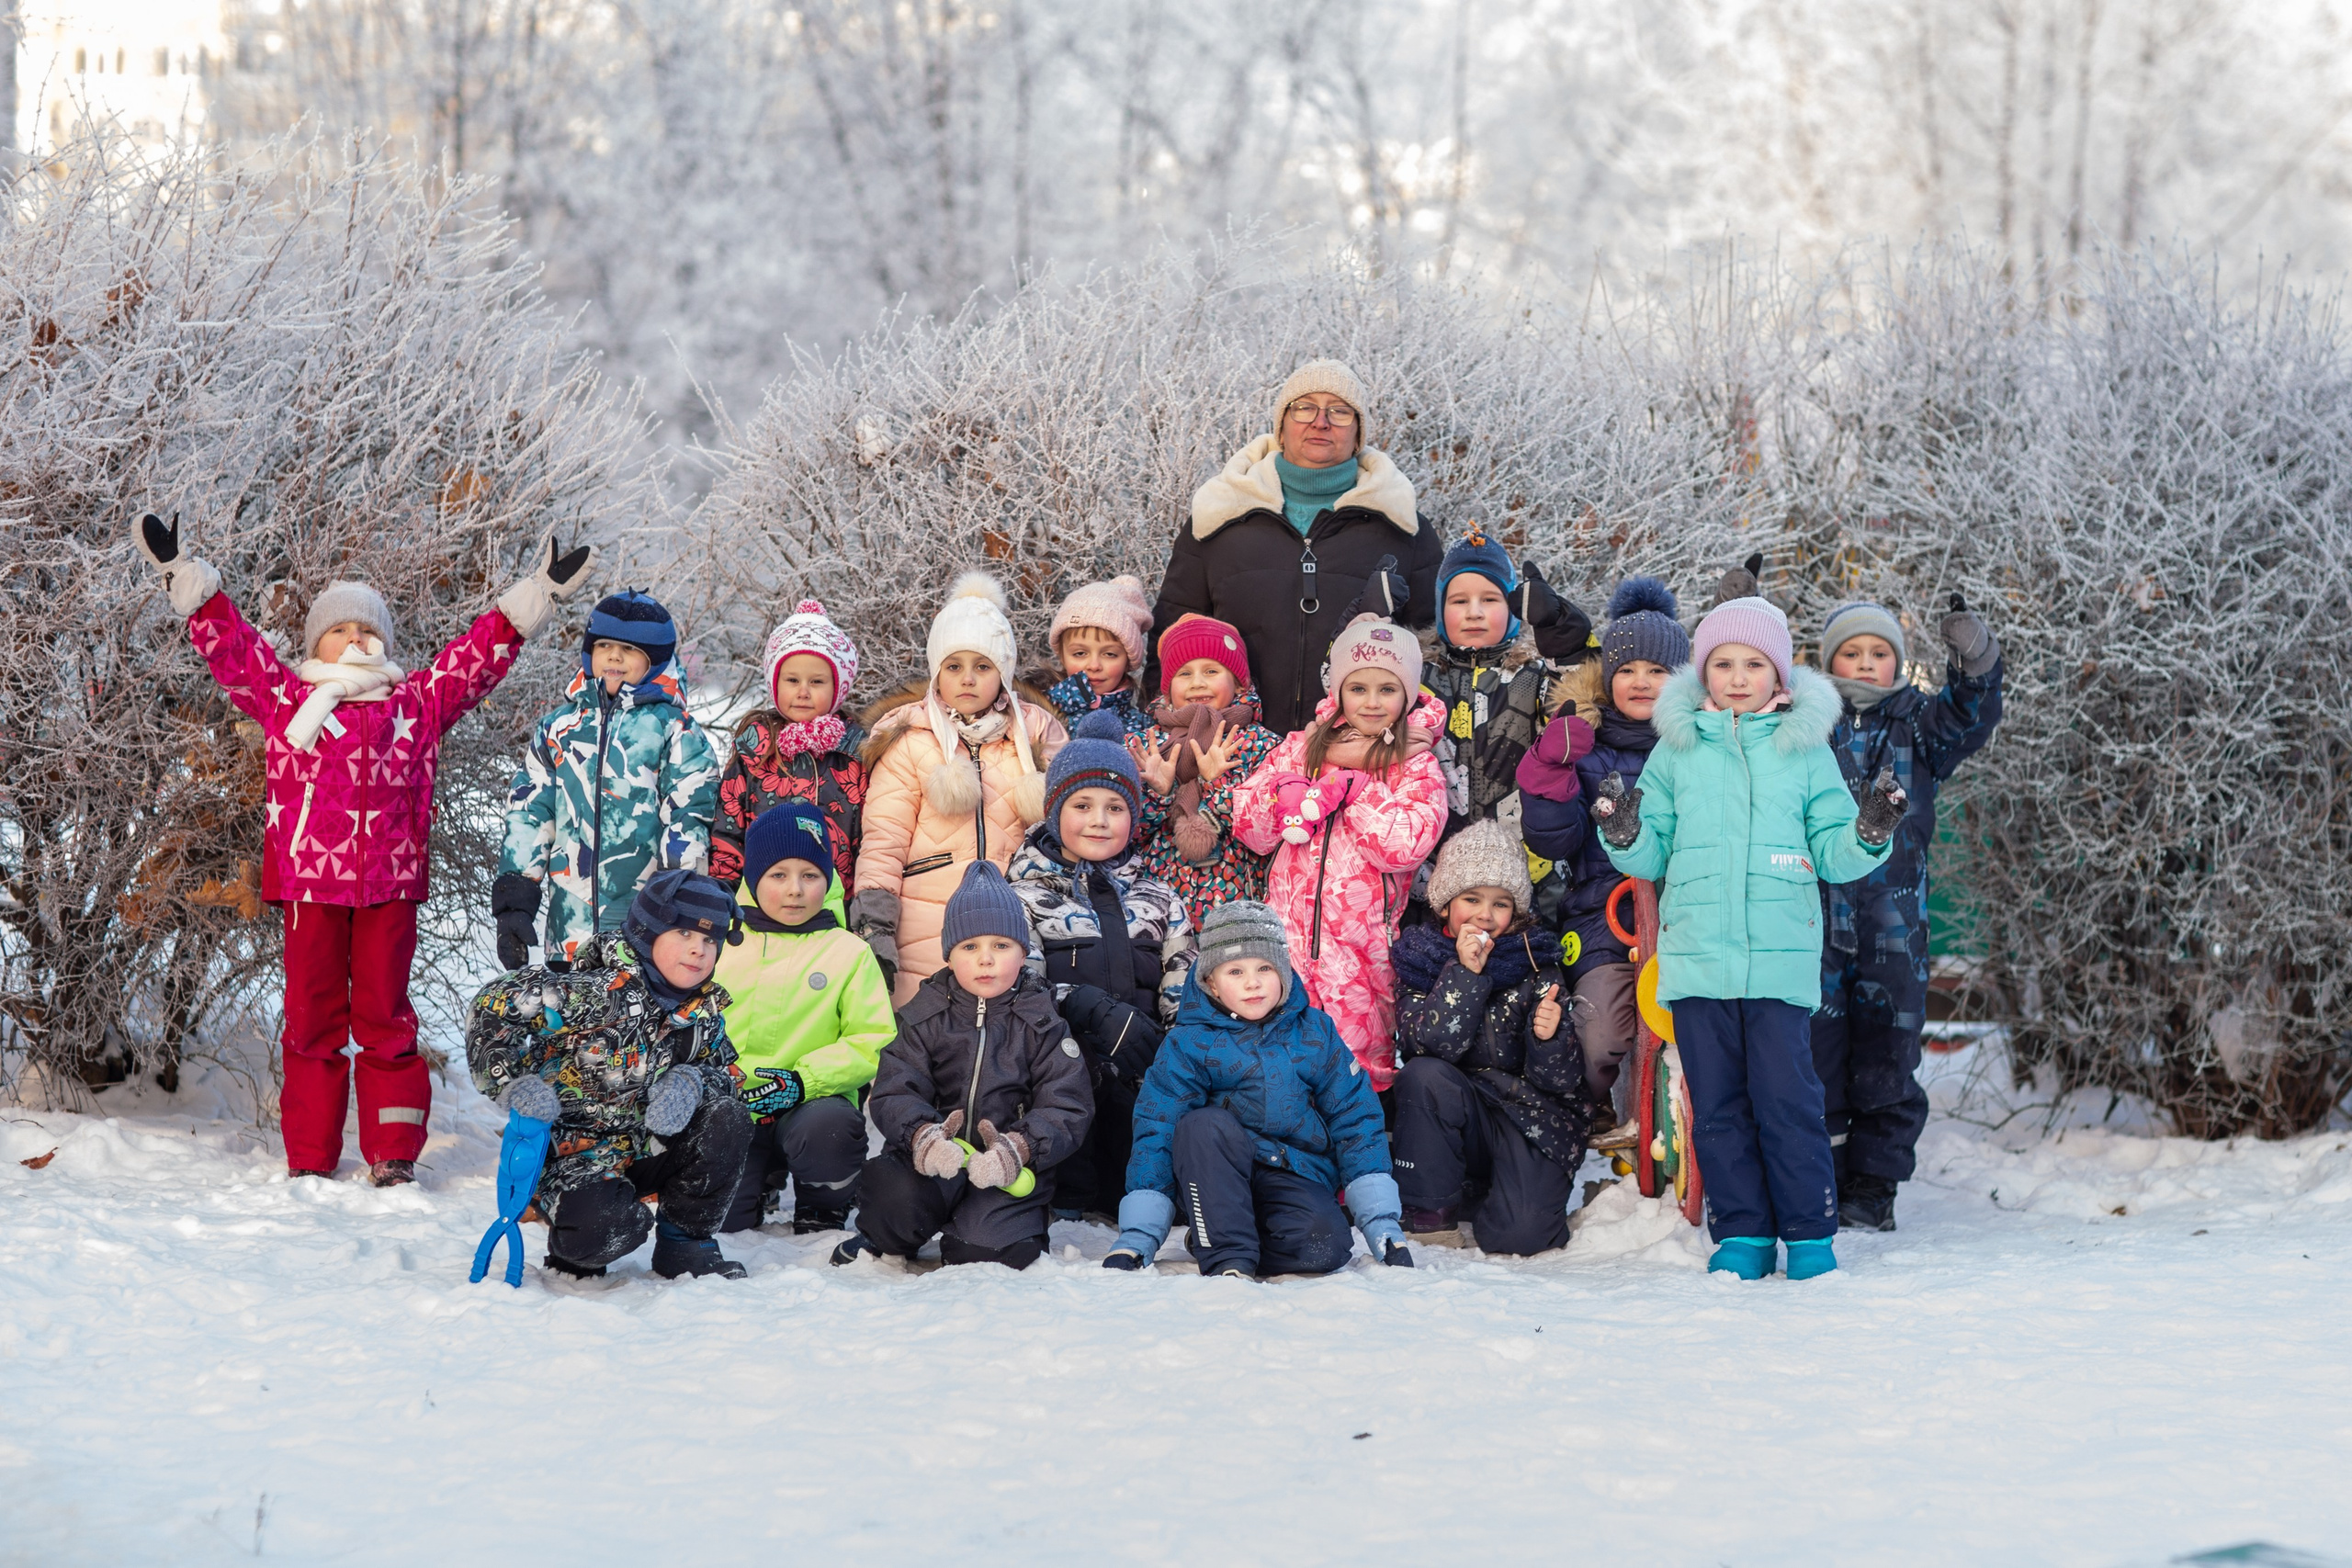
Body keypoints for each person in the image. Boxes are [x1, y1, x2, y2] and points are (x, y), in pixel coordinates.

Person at [131, 512, 594, 1185]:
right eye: (342, 628)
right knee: (311, 1022)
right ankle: (311, 1158)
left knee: (386, 1019)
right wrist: (189, 582)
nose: (356, 636)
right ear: (319, 641)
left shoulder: (416, 704)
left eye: (368, 628)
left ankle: (394, 1152)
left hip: (390, 884)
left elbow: (475, 657)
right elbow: (235, 650)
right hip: (308, 886)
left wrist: (536, 595)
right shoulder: (290, 698)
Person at [1594, 595, 1905, 1280]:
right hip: (1698, 962)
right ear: (1704, 673)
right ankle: (1744, 1233)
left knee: (1788, 1102)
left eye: (1754, 663)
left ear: (1780, 676)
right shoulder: (1677, 751)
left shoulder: (1803, 752)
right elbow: (1651, 852)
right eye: (1724, 663)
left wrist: (1870, 831)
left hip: (1778, 965)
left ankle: (1810, 1231)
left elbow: (1833, 851)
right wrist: (1624, 833)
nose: (1738, 676)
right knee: (1720, 1109)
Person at [1812, 596, 2004, 1232]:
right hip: (1815, 919)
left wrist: (1973, 661)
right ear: (1827, 659)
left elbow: (1968, 718)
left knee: (1888, 1052)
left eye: (1879, 653)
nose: (1866, 663)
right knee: (1818, 1049)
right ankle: (1827, 1173)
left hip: (1895, 927)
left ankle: (1874, 1182)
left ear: (1896, 662)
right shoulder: (1805, 721)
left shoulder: (1917, 724)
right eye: (1852, 652)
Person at [467, 870, 754, 1280]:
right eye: (684, 935)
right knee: (603, 1233)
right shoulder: (591, 992)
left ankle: (686, 1244)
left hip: (648, 1148)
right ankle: (580, 1242)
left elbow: (726, 1076)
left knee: (727, 1116)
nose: (699, 951)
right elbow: (492, 1005)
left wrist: (693, 1084)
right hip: (574, 1159)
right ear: (647, 932)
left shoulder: (701, 1013)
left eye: (710, 940)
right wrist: (514, 1085)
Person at [1104, 901, 1412, 1278]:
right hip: (1215, 1173)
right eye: (1236, 971)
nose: (1253, 982)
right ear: (1211, 982)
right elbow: (1158, 1126)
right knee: (1203, 1125)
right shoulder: (1189, 1042)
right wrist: (1139, 1236)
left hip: (1293, 1169)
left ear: (1283, 972)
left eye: (1264, 968)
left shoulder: (1315, 1031)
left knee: (1325, 1248)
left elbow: (1354, 1115)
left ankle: (1215, 1240)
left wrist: (1381, 1222)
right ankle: (1228, 1258)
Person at [1148, 359, 1442, 734]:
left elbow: (1429, 649)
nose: (1321, 422)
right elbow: (1171, 639)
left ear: (1358, 433)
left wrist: (1414, 735)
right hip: (1228, 756)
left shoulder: (1403, 527)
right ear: (1281, 427)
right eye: (1304, 407)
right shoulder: (1221, 517)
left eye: (1339, 411)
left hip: (1361, 758)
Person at [831, 863, 1093, 1270]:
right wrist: (923, 1137)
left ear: (1023, 952)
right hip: (936, 1162)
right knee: (892, 1197)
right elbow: (894, 1089)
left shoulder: (1042, 1023)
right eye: (970, 947)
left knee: (985, 1254)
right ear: (949, 955)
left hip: (1007, 1168)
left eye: (1001, 946)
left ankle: (989, 1225)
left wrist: (1020, 1147)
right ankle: (884, 1232)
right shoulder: (924, 1015)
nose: (985, 960)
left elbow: (1067, 1105)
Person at [1229, 613, 1448, 1090]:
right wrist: (1281, 796)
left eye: (1387, 689)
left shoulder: (1416, 763)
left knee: (1354, 1077)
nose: (1371, 702)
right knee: (1277, 1074)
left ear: (1408, 694)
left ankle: (1360, 1160)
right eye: (1359, 688)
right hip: (1283, 951)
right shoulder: (1303, 747)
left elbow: (1406, 845)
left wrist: (1356, 788)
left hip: (1361, 959)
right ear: (1339, 691)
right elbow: (1250, 827)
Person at [1007, 711, 1196, 1220]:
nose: (1099, 820)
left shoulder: (1161, 899)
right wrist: (1086, 1006)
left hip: (1142, 1087)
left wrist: (1174, 1056)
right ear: (1054, 811)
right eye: (1082, 804)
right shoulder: (1022, 896)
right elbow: (1015, 989)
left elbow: (1185, 991)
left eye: (1115, 807)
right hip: (1060, 1082)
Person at [852, 571, 1068, 1005]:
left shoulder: (1038, 737)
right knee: (926, 1040)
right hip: (926, 928)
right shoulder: (909, 739)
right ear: (937, 672)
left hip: (1018, 926)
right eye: (954, 666)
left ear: (1003, 673)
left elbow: (1067, 830)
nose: (967, 679)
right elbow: (885, 838)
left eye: (982, 666)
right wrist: (875, 923)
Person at [1519, 576, 1688, 1110]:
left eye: (1657, 671)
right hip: (1603, 916)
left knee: (1687, 1036)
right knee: (1601, 1035)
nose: (1641, 682)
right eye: (1628, 670)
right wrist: (1552, 770)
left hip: (1688, 916)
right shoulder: (1585, 745)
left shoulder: (1696, 750)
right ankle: (1586, 1112)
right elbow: (1556, 840)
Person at [1390, 822, 1595, 1257]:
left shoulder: (1537, 961)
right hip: (1460, 1111)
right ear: (1445, 905)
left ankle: (1494, 1195)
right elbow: (1426, 1047)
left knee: (1520, 1238)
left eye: (1501, 903)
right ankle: (1430, 1214)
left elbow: (1561, 1083)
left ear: (1516, 912)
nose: (1485, 914)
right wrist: (1465, 974)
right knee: (1423, 1075)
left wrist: (1550, 1037)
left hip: (1529, 1117)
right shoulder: (1420, 960)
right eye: (1471, 899)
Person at [493, 590, 719, 970]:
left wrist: (678, 905)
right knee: (570, 1026)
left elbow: (689, 816)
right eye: (604, 645)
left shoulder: (674, 730)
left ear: (655, 661)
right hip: (569, 935)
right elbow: (531, 812)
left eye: (629, 650)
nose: (614, 656)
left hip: (646, 934)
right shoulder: (559, 728)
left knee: (633, 1028)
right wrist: (516, 900)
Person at [712, 807, 895, 1235]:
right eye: (778, 875)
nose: (794, 890)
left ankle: (823, 1202)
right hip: (734, 1106)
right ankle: (753, 1186)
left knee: (828, 1127)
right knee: (725, 1225)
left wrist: (802, 1082)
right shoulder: (719, 944)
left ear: (829, 880)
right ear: (753, 878)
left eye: (810, 876)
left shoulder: (849, 952)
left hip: (811, 1102)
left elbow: (872, 1039)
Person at [1415, 523, 1592, 916]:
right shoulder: (1416, 675)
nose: (1474, 612)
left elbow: (1586, 705)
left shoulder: (1535, 674)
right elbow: (1343, 687)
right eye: (1459, 600)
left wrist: (1562, 632)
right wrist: (1362, 621)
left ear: (1512, 609)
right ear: (1441, 607)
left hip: (1525, 873)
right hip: (1431, 874)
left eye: (1490, 599)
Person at [1129, 613, 1284, 925]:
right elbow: (1122, 831)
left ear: (1239, 682)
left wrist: (1216, 785)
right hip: (1159, 907)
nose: (1197, 683)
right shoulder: (1142, 745)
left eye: (1211, 671)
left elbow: (1269, 829)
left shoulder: (1263, 745)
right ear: (1167, 686)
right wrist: (1159, 794)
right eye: (1184, 673)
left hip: (1239, 901)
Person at [708, 598, 866, 895]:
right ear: (775, 682)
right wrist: (724, 898)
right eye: (792, 680)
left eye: (817, 682)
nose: (803, 692)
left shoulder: (855, 754)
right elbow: (727, 833)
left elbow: (868, 839)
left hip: (835, 910)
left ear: (837, 687)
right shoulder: (755, 750)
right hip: (760, 909)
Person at [1037, 575, 1156, 740]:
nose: (1094, 665)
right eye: (1080, 653)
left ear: (1128, 661)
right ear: (1062, 656)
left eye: (1109, 654)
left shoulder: (1144, 730)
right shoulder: (1039, 719)